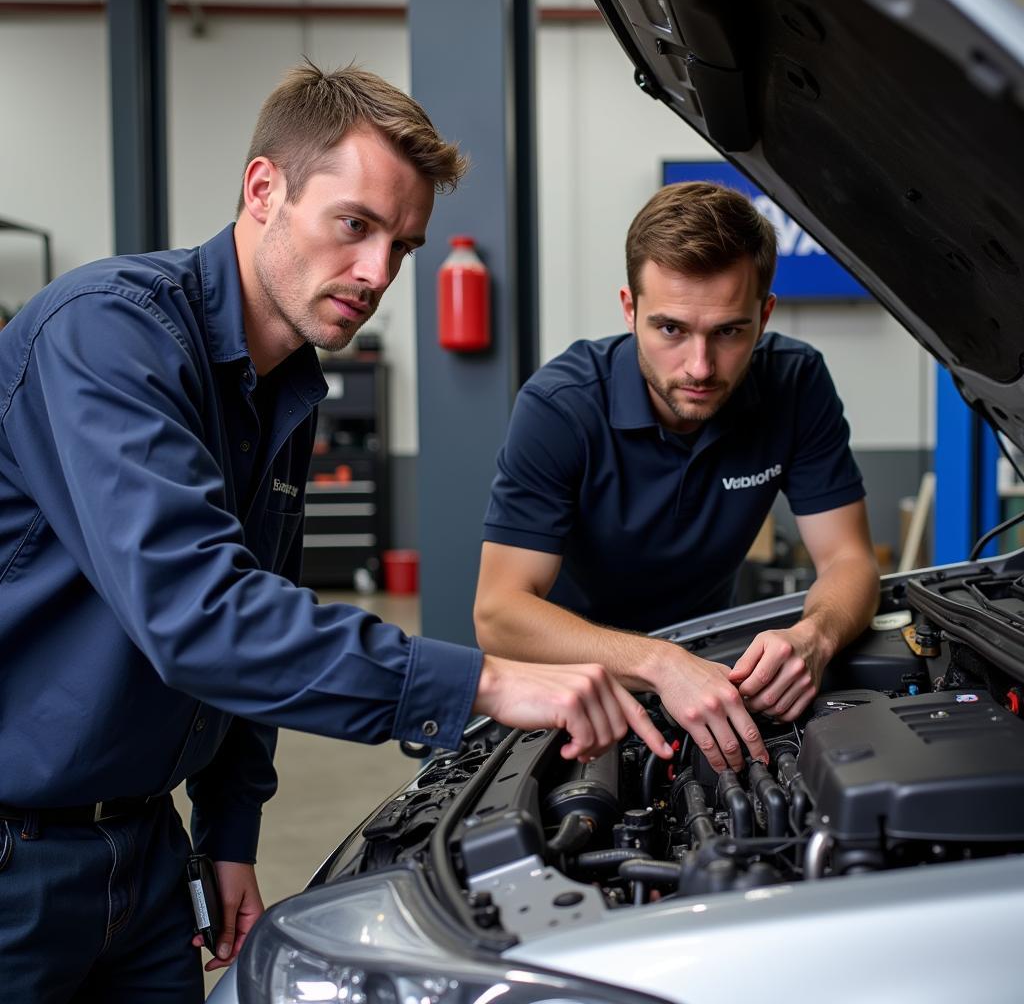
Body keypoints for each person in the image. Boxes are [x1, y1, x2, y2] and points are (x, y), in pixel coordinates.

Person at [0, 64, 672, 1002]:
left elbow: (263, 598)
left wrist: (227, 833)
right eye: (354, 225)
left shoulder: (287, 385)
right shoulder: (106, 336)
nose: (375, 275)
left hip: (146, 859)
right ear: (264, 189)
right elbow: (201, 616)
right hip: (18, 864)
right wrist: (485, 680)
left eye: (401, 246)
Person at [474, 181, 880, 775]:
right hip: (572, 681)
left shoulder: (796, 384)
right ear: (628, 309)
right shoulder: (561, 406)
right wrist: (661, 663)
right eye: (670, 329)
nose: (699, 367)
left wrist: (813, 638)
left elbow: (850, 560)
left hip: (712, 664)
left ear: (764, 315)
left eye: (729, 332)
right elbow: (499, 613)